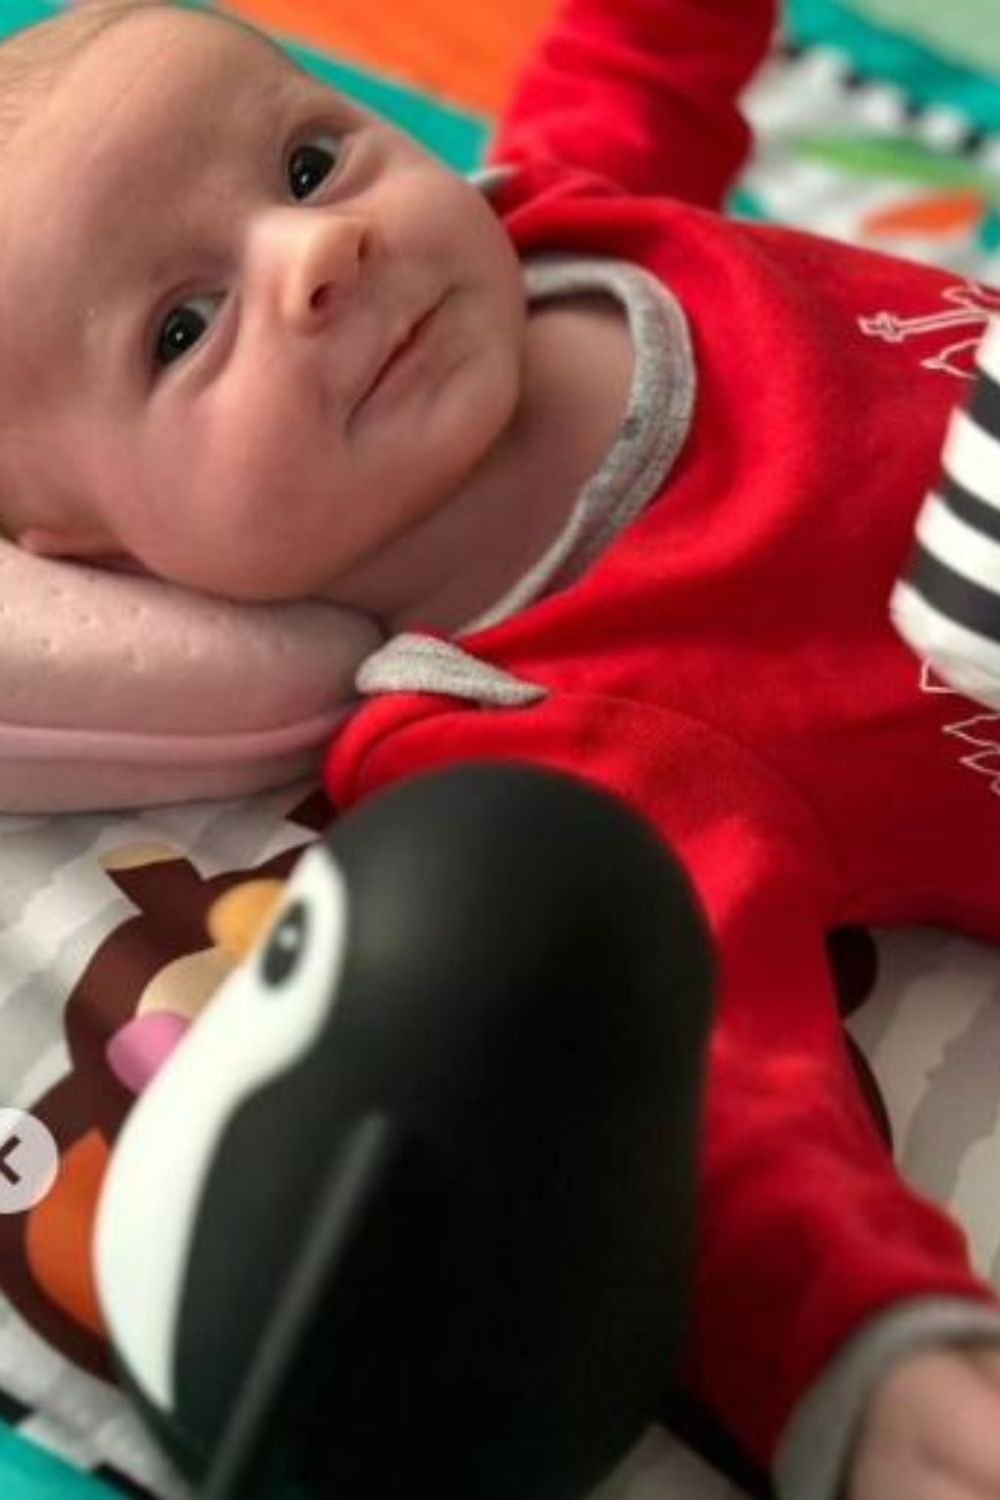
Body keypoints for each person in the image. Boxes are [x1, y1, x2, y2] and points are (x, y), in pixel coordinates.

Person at [3, 2, 1000, 1497]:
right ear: (99, 554)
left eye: (307, 161)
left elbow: (639, 54)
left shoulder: (554, 217)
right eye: (181, 329)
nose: (316, 254)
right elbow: (722, 1098)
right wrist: (877, 1362)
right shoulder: (522, 729)